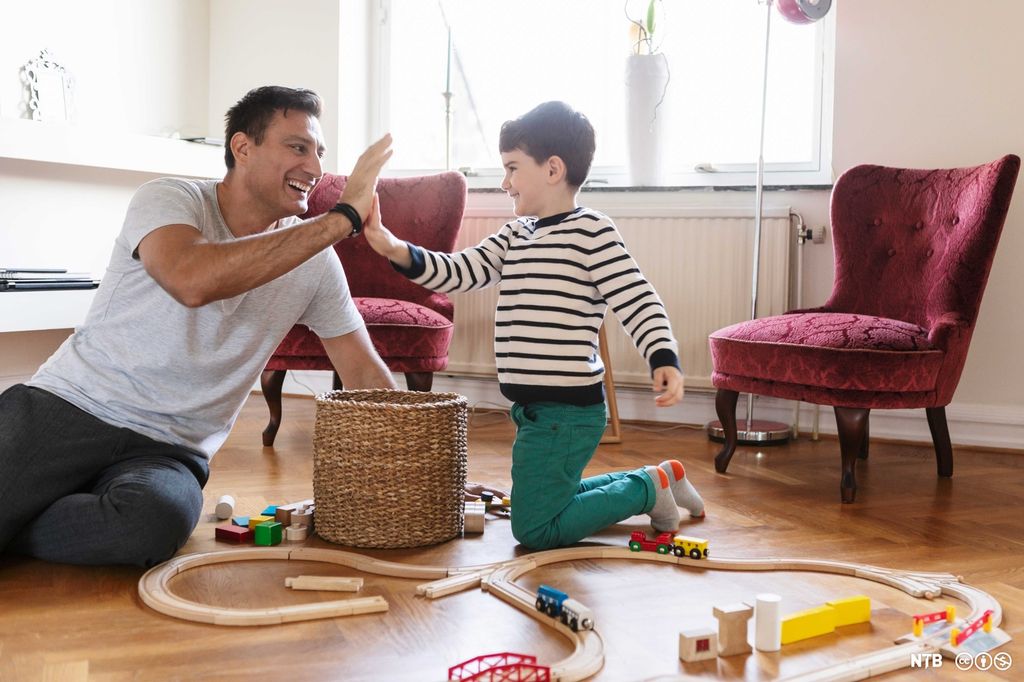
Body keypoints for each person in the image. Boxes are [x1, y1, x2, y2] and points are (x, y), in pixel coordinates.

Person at [0, 86, 397, 567]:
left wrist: (434, 465)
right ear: (242, 147)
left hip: (169, 450)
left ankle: (20, 519)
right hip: (70, 407)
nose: (315, 168)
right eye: (298, 147)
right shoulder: (170, 198)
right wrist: (342, 219)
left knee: (151, 525)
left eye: (319, 152)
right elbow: (193, 279)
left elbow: (365, 375)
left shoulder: (315, 263)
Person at [363, 101, 704, 550]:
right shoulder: (515, 234)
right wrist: (391, 246)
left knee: (534, 528)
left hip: (567, 412)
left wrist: (663, 355)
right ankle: (656, 479)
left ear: (553, 169)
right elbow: (458, 271)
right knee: (548, 501)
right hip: (535, 411)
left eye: (512, 168)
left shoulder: (593, 232)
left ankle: (645, 491)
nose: (504, 183)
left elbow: (636, 297)